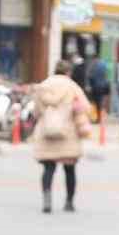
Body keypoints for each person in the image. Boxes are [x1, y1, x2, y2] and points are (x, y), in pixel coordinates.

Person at [32, 59, 94, 214]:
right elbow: (86, 108)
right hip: (69, 132)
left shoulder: (44, 86)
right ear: (68, 72)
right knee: (69, 169)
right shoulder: (72, 87)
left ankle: (47, 200)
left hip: (47, 132)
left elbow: (36, 112)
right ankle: (69, 202)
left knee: (48, 168)